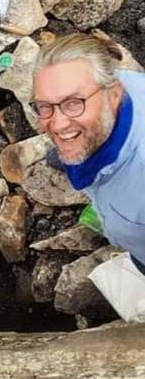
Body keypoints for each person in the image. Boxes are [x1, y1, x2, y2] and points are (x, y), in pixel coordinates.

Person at [32, 33, 145, 272]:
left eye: (74, 103)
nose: (57, 124)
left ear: (114, 95)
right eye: (44, 106)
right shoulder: (120, 84)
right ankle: (80, 162)